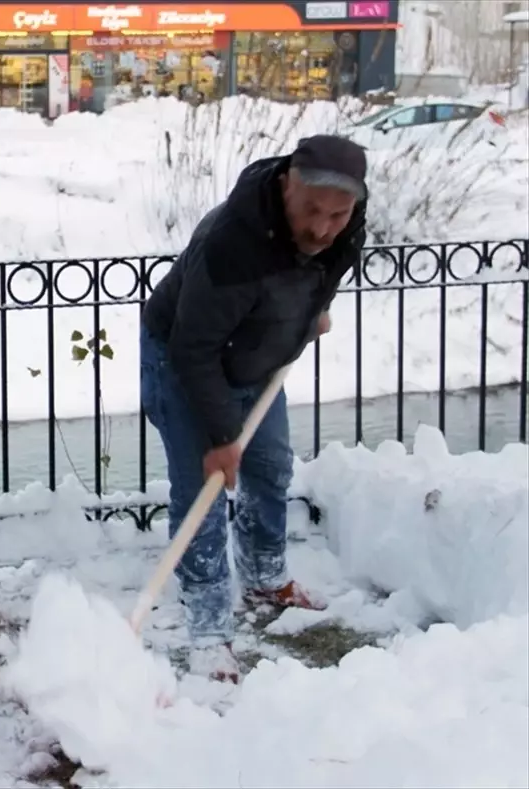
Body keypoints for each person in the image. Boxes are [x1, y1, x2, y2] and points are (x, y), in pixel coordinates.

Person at [139, 135, 369, 684]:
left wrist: (313, 311)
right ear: (287, 183)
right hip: (185, 357)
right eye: (312, 210)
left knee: (269, 470)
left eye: (337, 215)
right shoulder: (231, 243)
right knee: (203, 490)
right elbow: (194, 349)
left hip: (258, 357)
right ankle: (210, 627)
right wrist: (222, 437)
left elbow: (324, 270)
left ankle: (266, 578)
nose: (322, 227)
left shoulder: (345, 225)